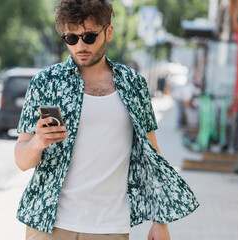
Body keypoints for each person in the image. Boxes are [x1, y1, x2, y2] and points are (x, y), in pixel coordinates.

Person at [14, 1, 199, 240]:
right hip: (50, 223)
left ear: (108, 32)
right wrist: (38, 142)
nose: (80, 46)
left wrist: (160, 221)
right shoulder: (46, 83)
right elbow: (21, 159)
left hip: (110, 226)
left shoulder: (134, 84)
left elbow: (152, 154)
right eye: (71, 38)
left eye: (89, 37)